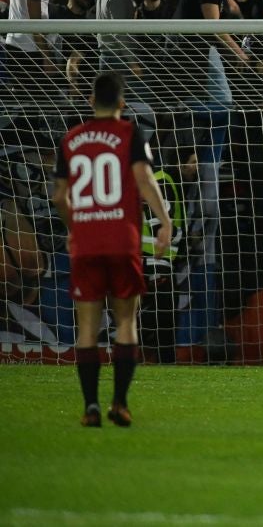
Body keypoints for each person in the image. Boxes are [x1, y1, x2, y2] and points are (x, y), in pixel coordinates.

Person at [53, 71, 175, 427]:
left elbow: (59, 196)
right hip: (122, 241)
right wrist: (164, 222)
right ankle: (120, 403)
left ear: (91, 101)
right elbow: (143, 179)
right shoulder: (129, 132)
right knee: (125, 323)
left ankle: (90, 407)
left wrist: (75, 226)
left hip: (87, 244)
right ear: (122, 103)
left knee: (87, 328)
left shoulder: (71, 138)